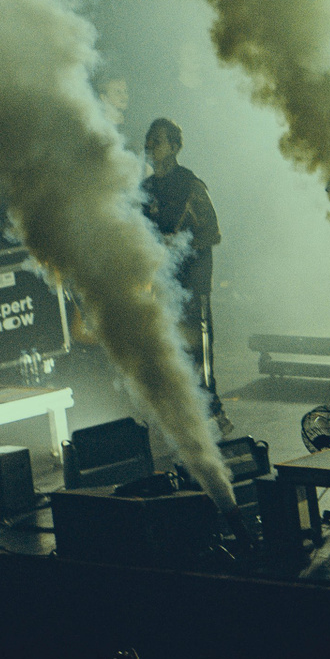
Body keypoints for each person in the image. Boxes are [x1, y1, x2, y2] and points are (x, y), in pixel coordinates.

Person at [140, 118, 227, 428]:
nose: (150, 146)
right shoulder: (145, 189)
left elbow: (212, 233)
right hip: (162, 283)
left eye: (158, 141)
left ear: (175, 147)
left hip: (193, 281)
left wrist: (179, 243)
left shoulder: (190, 185)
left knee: (198, 351)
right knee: (168, 347)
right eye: (148, 140)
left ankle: (211, 410)